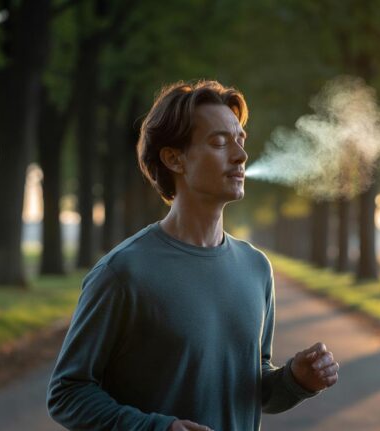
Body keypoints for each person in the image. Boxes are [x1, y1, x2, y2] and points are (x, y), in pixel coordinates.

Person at [47, 80, 339, 431]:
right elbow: (67, 393)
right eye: (219, 142)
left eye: (240, 141)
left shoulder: (256, 268)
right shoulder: (123, 272)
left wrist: (296, 380)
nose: (240, 156)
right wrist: (157, 429)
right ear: (174, 158)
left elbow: (255, 388)